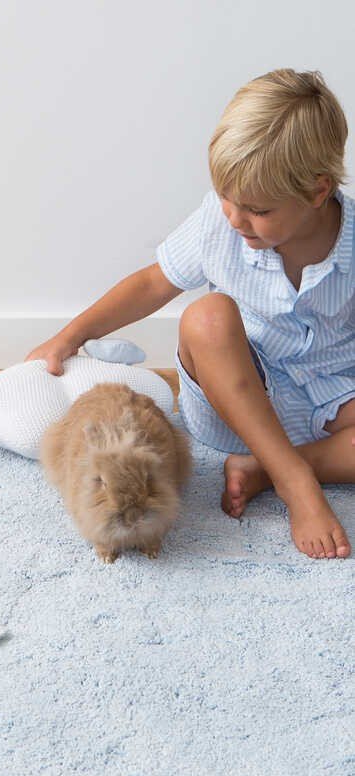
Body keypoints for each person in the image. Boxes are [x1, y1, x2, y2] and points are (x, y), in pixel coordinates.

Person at [25, 68, 354, 560]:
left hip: (330, 399)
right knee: (207, 317)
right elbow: (153, 283)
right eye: (227, 199)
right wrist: (71, 336)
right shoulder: (219, 226)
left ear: (317, 192)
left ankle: (267, 467)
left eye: (257, 210)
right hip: (238, 395)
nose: (236, 218)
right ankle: (295, 481)